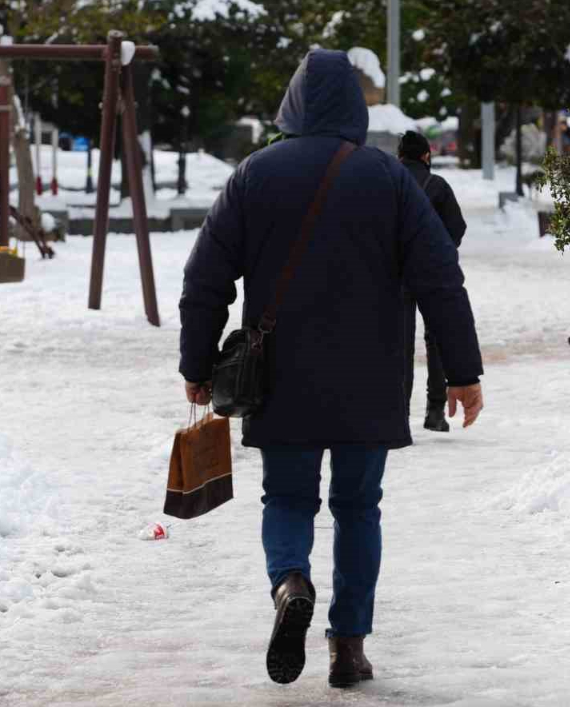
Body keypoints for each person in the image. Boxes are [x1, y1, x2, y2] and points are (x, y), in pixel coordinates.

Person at [178, 50, 485, 689]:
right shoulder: (390, 178)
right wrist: (462, 371)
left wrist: (197, 362)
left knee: (287, 496)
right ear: (355, 107)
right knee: (358, 507)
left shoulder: (253, 175)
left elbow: (205, 277)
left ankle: (290, 579)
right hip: (370, 376)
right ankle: (349, 647)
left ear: (290, 105)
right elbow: (440, 278)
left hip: (280, 373)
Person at [397, 130, 467, 433]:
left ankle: (398, 415)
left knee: (399, 343)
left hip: (394, 276)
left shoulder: (387, 183)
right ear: (427, 156)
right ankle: (435, 411)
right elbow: (457, 227)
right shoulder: (437, 185)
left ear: (400, 156)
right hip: (431, 275)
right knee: (435, 341)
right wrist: (440, 254)